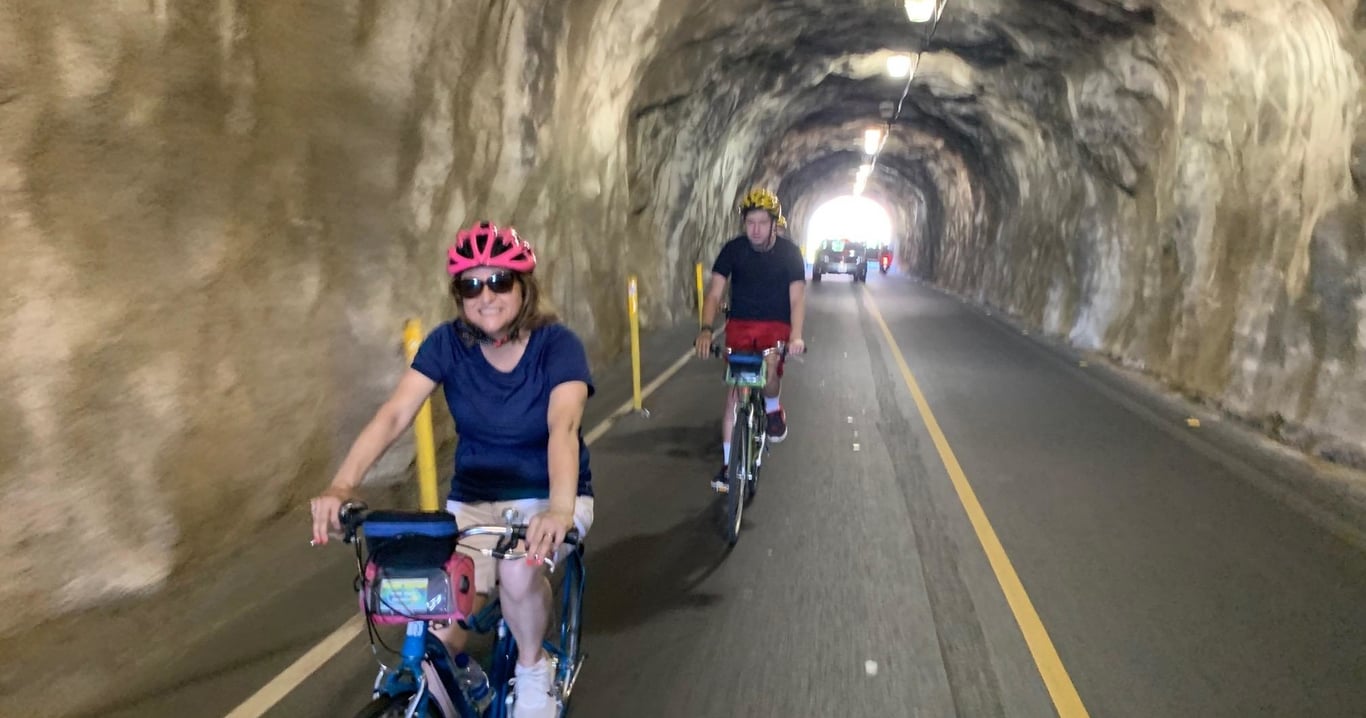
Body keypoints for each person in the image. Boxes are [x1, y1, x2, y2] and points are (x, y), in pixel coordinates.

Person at [308, 221, 594, 718]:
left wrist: (560, 510)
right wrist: (342, 484)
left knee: (518, 571)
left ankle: (533, 669)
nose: (486, 296)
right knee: (437, 615)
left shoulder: (557, 345)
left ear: (523, 286)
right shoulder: (447, 344)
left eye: (499, 280)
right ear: (459, 295)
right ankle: (451, 679)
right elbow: (395, 413)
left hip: (548, 497)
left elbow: (563, 427)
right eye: (471, 285)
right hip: (473, 501)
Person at [693, 188, 807, 492]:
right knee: (735, 393)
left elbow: (797, 299)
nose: (755, 230)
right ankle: (728, 465)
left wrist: (795, 336)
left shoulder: (789, 253)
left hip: (775, 325)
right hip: (740, 326)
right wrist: (706, 329)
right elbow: (714, 293)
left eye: (762, 223)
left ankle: (772, 407)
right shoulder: (733, 250)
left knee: (769, 370)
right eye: (750, 222)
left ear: (774, 224)